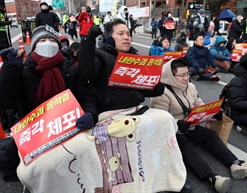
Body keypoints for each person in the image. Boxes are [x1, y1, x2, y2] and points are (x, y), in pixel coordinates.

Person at [77, 18, 191, 193]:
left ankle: (171, 176)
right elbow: (86, 71)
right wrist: (88, 39)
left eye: (128, 34)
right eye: (120, 34)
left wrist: (155, 89)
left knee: (166, 119)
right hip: (111, 114)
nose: (126, 37)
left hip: (137, 110)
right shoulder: (100, 56)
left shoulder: (136, 58)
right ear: (109, 38)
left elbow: (143, 90)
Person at [150, 58, 247, 193]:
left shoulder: (191, 87)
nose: (186, 78)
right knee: (184, 145)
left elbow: (199, 104)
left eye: (187, 74)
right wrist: (177, 123)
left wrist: (212, 113)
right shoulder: (161, 93)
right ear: (171, 76)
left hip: (190, 125)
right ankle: (212, 177)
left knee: (210, 135)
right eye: (181, 75)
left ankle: (235, 164)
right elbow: (159, 118)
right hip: (173, 130)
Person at [0, 25, 98, 130]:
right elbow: (2, 100)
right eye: (42, 40)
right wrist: (11, 68)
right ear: (34, 48)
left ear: (58, 47)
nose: (47, 44)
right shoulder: (24, 70)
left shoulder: (71, 69)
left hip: (67, 126)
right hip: (32, 129)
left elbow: (86, 97)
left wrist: (90, 114)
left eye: (52, 41)